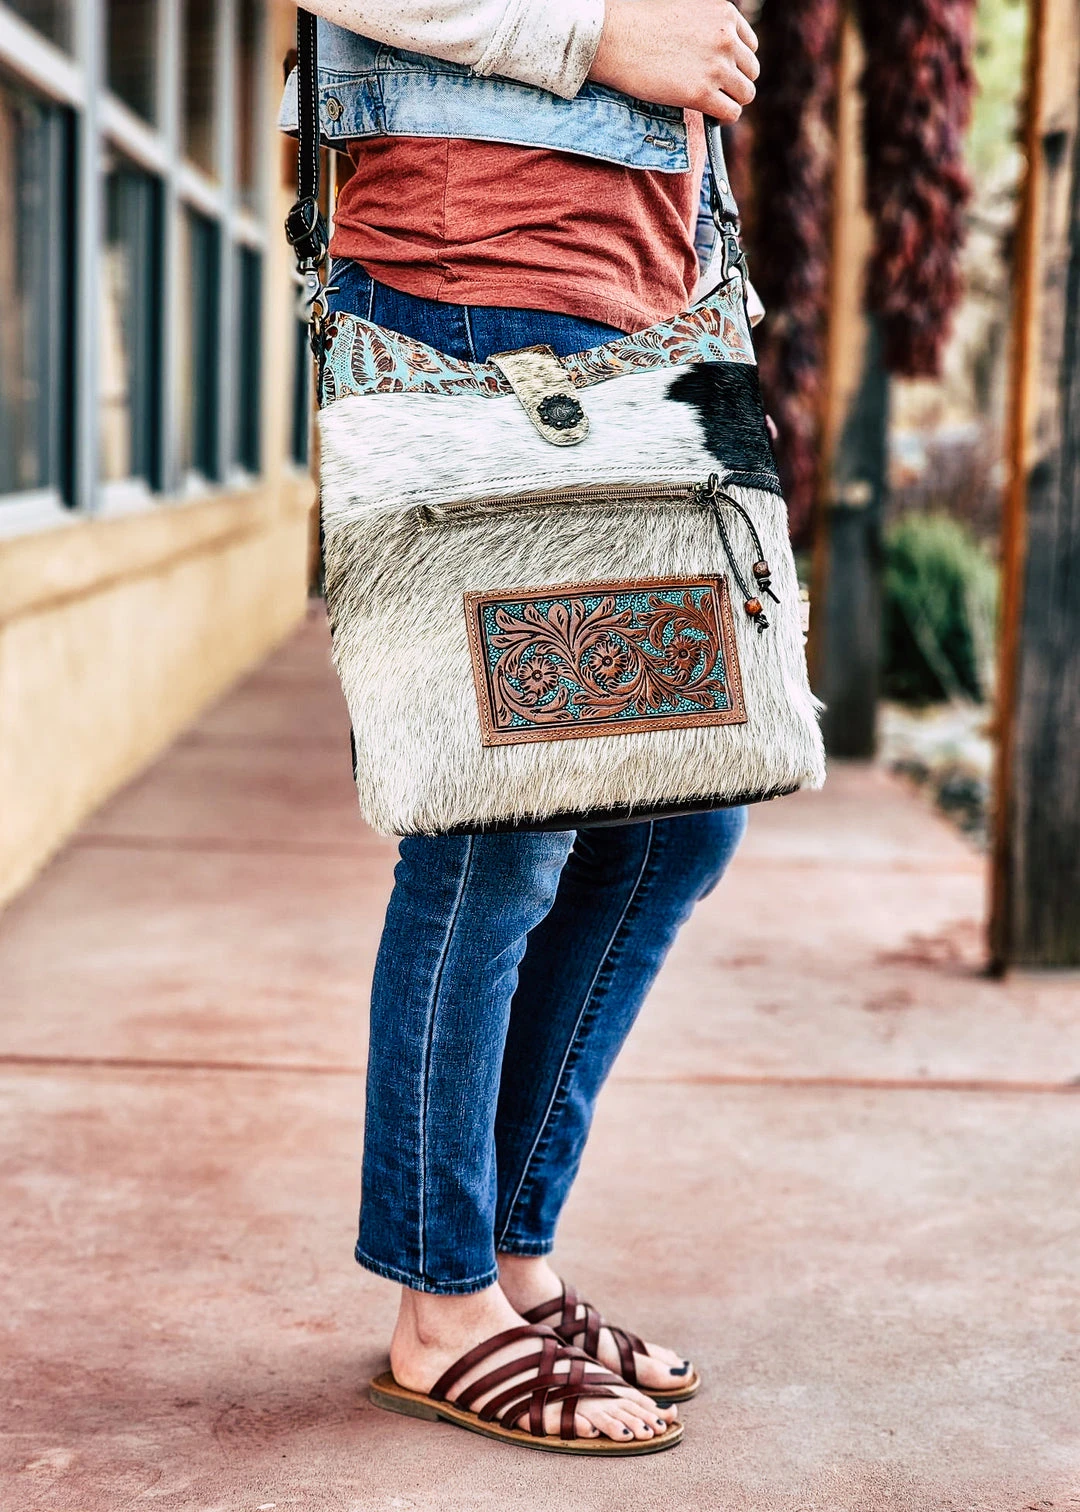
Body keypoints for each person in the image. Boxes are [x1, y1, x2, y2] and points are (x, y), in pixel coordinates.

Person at [285, 0, 760, 1453]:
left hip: (649, 321)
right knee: (499, 826)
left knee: (678, 816)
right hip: (476, 296)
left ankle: (506, 1259)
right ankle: (441, 1307)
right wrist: (594, 34)